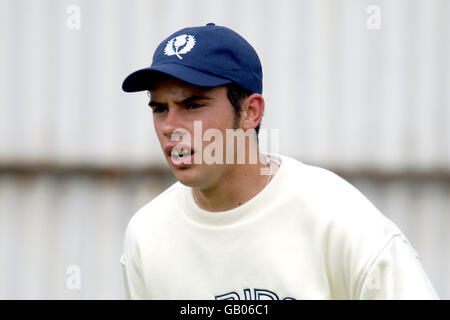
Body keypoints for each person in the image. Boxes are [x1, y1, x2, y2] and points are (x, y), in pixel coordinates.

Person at [120, 23, 439, 300]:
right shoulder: (147, 236)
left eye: (193, 105)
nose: (170, 126)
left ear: (250, 112)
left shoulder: (340, 221)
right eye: (159, 108)